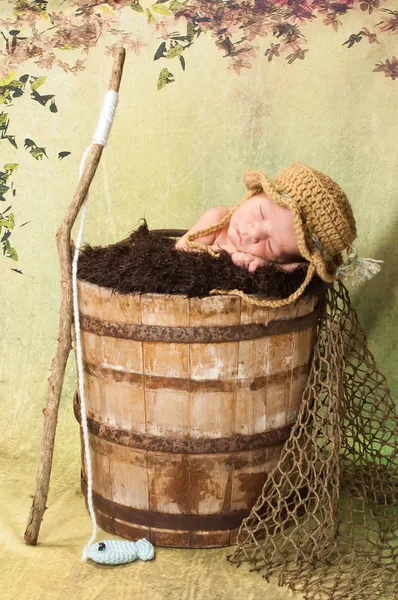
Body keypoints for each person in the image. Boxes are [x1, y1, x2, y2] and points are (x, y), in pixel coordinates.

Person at [175, 162, 381, 307]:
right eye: (260, 213)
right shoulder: (216, 220)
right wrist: (224, 254)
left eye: (271, 245)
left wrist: (270, 266)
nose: (254, 232)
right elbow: (181, 251)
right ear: (257, 193)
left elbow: (306, 271)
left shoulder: (266, 262)